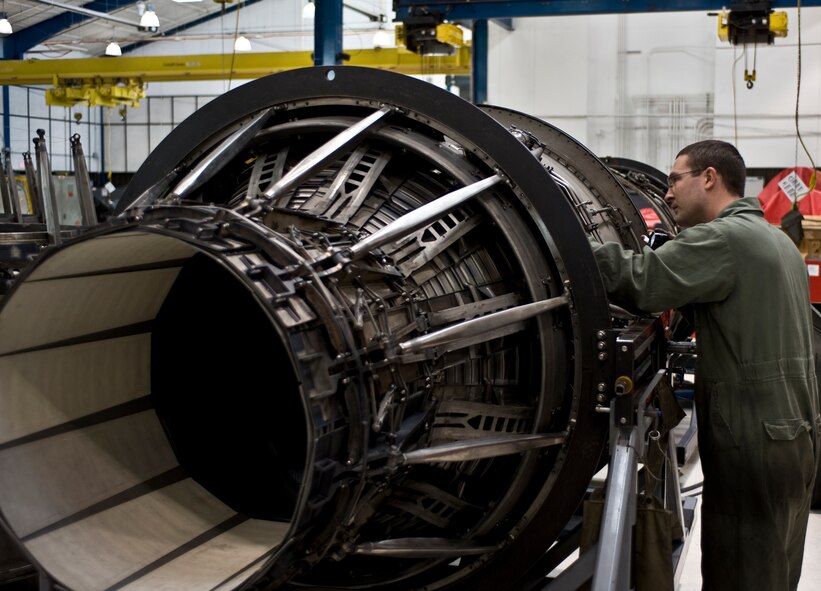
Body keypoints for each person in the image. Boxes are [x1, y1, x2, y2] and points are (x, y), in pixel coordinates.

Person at [591, 140, 820, 591]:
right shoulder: (777, 240)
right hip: (794, 435)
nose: (669, 193)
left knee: (739, 570)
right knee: (774, 568)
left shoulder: (721, 239)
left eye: (676, 179)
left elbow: (643, 283)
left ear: (709, 178)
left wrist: (573, 246)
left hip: (752, 442)